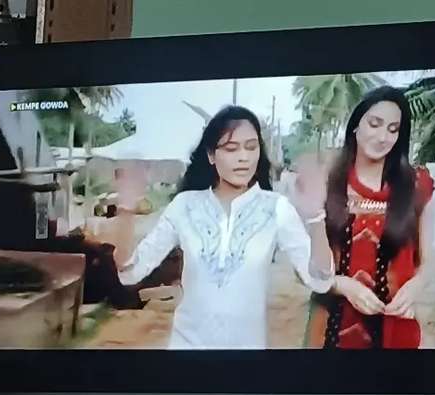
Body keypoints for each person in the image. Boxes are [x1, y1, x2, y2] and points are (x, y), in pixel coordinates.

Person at [113, 105, 334, 349]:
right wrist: (126, 210)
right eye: (231, 148)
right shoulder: (184, 206)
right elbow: (130, 271)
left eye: (251, 147)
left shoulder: (276, 208)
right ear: (211, 155)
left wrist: (316, 217)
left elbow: (319, 279)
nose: (244, 157)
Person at [307, 86, 435, 349]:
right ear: (356, 125)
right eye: (374, 124)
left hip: (395, 329)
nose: (382, 137)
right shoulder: (325, 183)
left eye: (393, 129)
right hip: (330, 331)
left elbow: (428, 264)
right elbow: (306, 268)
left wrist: (415, 287)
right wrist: (342, 285)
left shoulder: (417, 186)